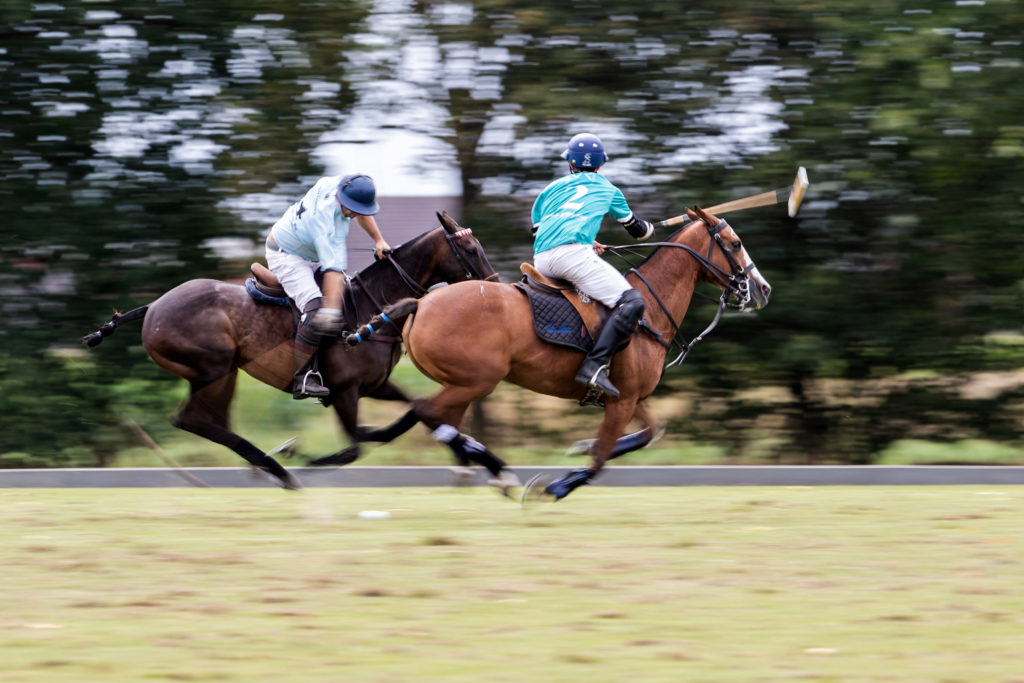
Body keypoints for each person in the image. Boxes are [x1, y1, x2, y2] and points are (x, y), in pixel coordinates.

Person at [531, 133, 654, 399]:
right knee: (632, 302)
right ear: (600, 166)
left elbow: (540, 229)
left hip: (541, 258)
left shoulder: (552, 189)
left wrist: (587, 240)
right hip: (572, 257)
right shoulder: (609, 189)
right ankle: (594, 366)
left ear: (570, 164)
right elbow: (638, 231)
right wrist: (651, 228)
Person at [265, 174, 391, 399]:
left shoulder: (341, 184)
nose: (353, 214)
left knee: (344, 300)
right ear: (342, 199)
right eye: (350, 209)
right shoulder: (324, 221)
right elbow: (333, 271)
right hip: (287, 255)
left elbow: (361, 211)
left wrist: (378, 240)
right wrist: (329, 312)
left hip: (310, 250)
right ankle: (303, 377)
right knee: (316, 311)